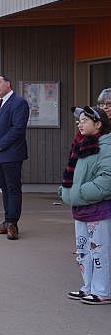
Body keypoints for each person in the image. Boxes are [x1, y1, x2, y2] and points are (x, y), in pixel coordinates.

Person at [59, 106, 111, 304]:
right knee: (83, 250)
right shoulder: (82, 144)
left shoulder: (106, 145)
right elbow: (73, 174)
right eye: (79, 121)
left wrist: (79, 192)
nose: (80, 124)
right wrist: (66, 190)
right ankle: (88, 286)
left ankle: (102, 290)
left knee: (99, 250)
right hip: (81, 207)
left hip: (99, 208)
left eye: (85, 120)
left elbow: (107, 178)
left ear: (98, 124)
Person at [0, 74, 30, 240]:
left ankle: (12, 224)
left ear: (8, 84)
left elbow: (18, 129)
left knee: (12, 188)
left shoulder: (19, 102)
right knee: (4, 188)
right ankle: (7, 221)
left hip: (11, 154)